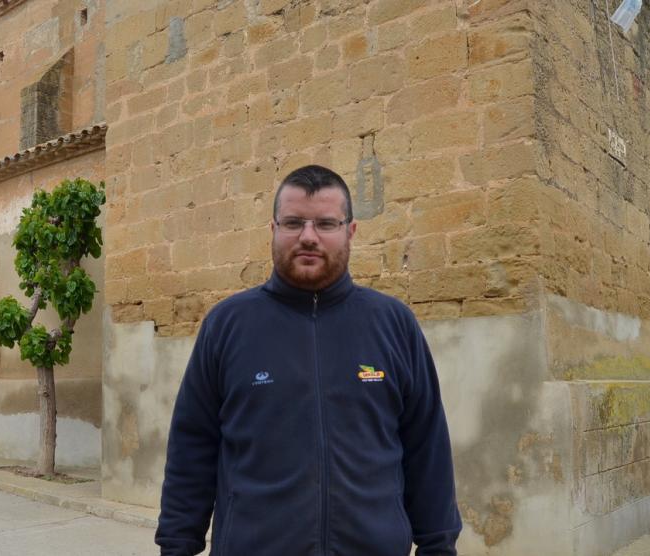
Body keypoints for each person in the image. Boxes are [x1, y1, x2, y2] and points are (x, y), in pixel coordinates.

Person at [155, 165, 461, 555]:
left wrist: (439, 546)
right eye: (294, 222)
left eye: (326, 224)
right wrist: (176, 546)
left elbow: (426, 446)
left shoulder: (393, 323)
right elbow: (191, 447)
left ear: (350, 231)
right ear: (273, 230)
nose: (308, 237)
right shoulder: (228, 324)